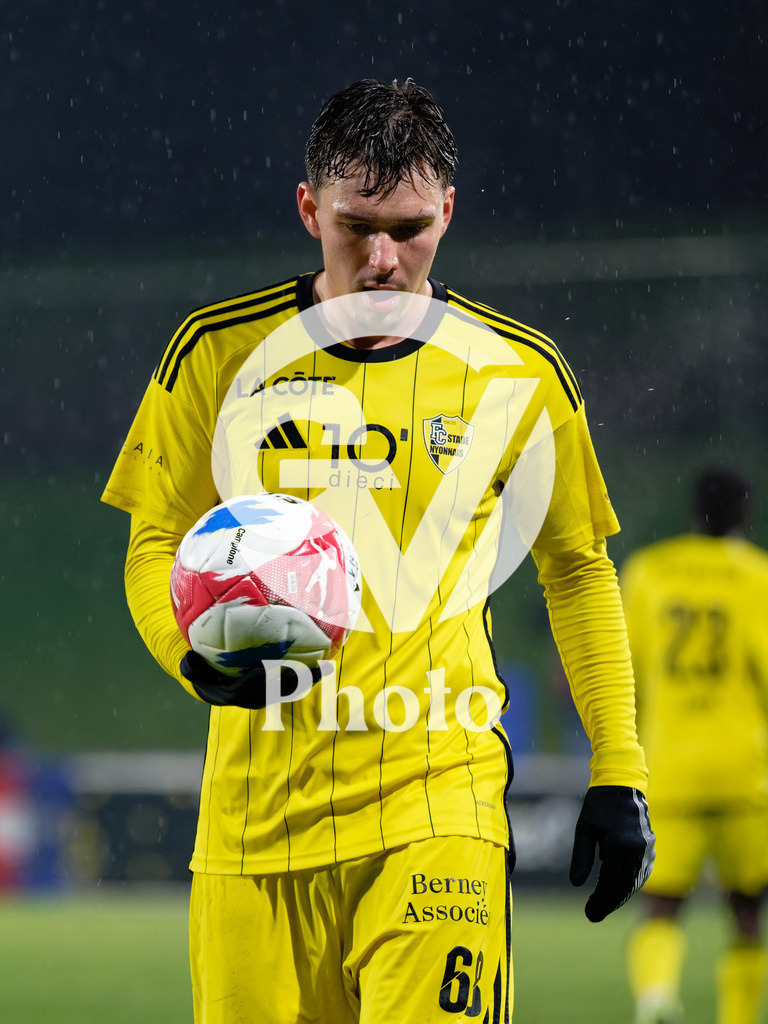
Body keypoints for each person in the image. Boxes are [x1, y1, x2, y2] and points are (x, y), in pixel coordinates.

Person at [102, 78, 654, 1024]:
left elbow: (577, 570)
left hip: (439, 809)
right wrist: (186, 654)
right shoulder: (216, 355)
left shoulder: (520, 375)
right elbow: (155, 541)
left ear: (448, 209)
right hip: (253, 828)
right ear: (310, 207)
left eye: (409, 227)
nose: (384, 259)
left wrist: (621, 770)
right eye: (357, 226)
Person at [622, 467, 768, 1024]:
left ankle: (656, 998)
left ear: (693, 510)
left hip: (670, 763)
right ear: (745, 514)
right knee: (747, 908)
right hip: (742, 767)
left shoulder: (649, 572)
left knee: (662, 904)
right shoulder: (756, 577)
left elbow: (623, 672)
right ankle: (738, 1017)